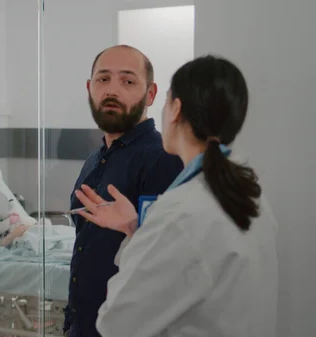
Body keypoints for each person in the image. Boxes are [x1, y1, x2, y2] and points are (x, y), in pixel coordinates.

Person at [75, 55, 278, 337]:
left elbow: (116, 323)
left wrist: (143, 235)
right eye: (103, 78)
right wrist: (136, 229)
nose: (113, 89)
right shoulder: (250, 197)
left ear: (175, 109)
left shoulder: (179, 212)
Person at [63, 45, 183, 337]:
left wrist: (133, 226)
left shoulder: (162, 158)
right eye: (103, 80)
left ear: (151, 94)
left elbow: (172, 262)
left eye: (128, 81)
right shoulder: (96, 159)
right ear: (90, 89)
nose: (112, 90)